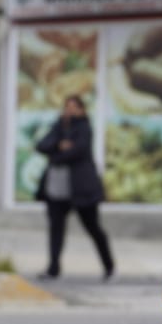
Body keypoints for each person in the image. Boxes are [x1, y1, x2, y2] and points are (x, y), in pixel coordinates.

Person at [34, 94, 115, 282]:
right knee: (56, 229)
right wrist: (58, 145)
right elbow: (41, 145)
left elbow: (78, 151)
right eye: (66, 106)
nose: (69, 111)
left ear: (81, 109)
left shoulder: (84, 127)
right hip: (56, 188)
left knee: (92, 227)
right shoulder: (58, 126)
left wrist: (57, 154)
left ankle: (109, 266)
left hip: (81, 189)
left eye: (73, 107)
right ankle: (53, 268)